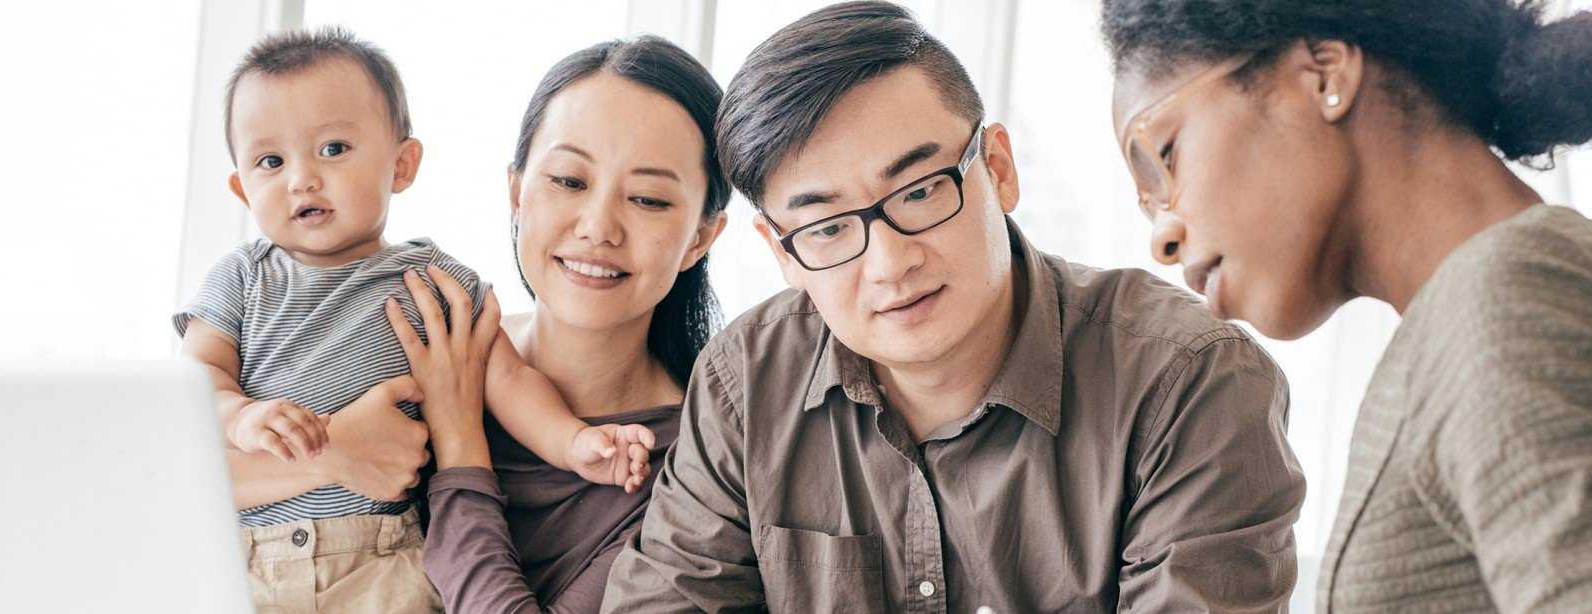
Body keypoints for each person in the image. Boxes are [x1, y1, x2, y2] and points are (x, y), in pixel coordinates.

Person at [603, 3, 1304, 612]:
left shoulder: (1188, 384)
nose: (889, 263)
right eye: (826, 229)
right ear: (783, 253)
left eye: (919, 192)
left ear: (997, 168)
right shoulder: (747, 382)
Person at [1101, 1, 1592, 611]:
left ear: (1322, 71)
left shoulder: (1507, 299)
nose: (1163, 235)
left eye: (1164, 157)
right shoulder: (1540, 287)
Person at [174, 27, 652, 613]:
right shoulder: (239, 279)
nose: (301, 178)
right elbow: (195, 384)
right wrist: (243, 418)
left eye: (332, 149)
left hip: (381, 558)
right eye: (270, 161)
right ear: (242, 190)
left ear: (402, 165)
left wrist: (574, 442)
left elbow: (507, 380)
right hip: (245, 556)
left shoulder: (434, 280)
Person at [393, 36, 730, 613]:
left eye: (648, 199)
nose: (599, 227)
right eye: (569, 182)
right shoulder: (422, 344)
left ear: (701, 237)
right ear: (515, 193)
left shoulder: (700, 465)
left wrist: (459, 442)